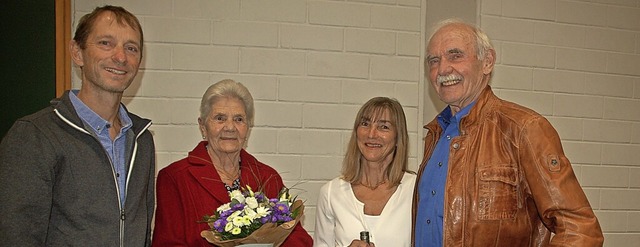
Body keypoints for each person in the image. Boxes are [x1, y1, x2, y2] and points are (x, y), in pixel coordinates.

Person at [412, 19, 604, 246]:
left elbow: (581, 229)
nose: (442, 69)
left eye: (455, 55)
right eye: (434, 60)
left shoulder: (524, 129)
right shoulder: (435, 134)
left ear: (487, 62)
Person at [0, 5, 155, 246]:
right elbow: (17, 236)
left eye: (131, 48)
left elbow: (141, 231)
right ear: (77, 52)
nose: (121, 57)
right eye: (106, 43)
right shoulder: (35, 135)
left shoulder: (141, 139)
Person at [152, 79, 313, 246]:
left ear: (248, 127)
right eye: (220, 118)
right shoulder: (175, 178)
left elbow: (297, 238)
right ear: (203, 126)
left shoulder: (268, 177)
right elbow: (167, 243)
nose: (230, 127)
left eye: (239, 119)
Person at [314, 97, 416, 247]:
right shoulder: (330, 193)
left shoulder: (416, 189)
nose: (371, 134)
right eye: (365, 124)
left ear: (398, 138)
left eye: (384, 127)